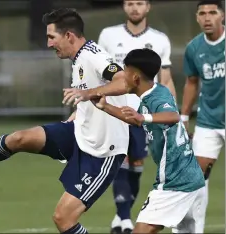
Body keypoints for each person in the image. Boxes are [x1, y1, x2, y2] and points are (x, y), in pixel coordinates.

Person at [0, 8, 131, 234]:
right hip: (79, 132)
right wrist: (83, 107)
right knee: (18, 139)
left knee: (63, 219)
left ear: (69, 36)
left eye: (52, 37)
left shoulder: (94, 55)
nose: (49, 44)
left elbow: (123, 82)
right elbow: (94, 97)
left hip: (102, 152)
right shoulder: (79, 58)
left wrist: (87, 93)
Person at [63, 48, 205, 234]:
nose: (122, 80)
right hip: (191, 179)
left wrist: (143, 118)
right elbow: (134, 119)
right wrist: (106, 107)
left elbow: (172, 116)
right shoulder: (154, 92)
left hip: (175, 183)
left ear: (136, 78)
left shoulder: (157, 98)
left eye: (125, 74)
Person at [98, 1, 177, 232]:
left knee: (137, 164)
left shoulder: (160, 39)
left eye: (139, 3)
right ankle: (124, 219)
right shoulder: (108, 35)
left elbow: (166, 78)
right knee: (119, 161)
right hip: (116, 109)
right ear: (124, 6)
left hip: (144, 113)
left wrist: (173, 112)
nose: (135, 8)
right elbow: (100, 73)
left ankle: (120, 218)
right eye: (130, 3)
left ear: (148, 7)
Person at [180, 0, 225, 232]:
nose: (207, 17)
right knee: (197, 179)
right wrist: (184, 117)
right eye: (202, 13)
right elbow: (192, 82)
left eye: (213, 12)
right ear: (197, 18)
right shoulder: (194, 48)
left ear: (223, 16)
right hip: (208, 121)